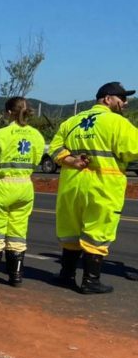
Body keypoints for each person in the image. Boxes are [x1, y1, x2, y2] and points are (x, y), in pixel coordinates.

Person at [51, 81, 138, 294]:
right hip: (102, 185)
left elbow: (54, 148)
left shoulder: (72, 121)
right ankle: (91, 281)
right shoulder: (118, 123)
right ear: (107, 99)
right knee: (97, 231)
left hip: (72, 185)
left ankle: (66, 275)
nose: (125, 103)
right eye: (122, 99)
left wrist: (70, 159)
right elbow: (133, 151)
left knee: (71, 231)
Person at [0, 97, 45, 287]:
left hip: (0, 185)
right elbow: (36, 160)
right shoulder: (36, 136)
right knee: (18, 230)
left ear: (8, 112)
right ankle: (16, 276)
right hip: (24, 186)